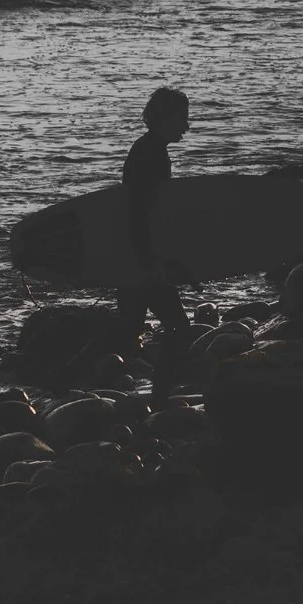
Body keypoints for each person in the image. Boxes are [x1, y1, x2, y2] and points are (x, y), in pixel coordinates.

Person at [118, 86, 193, 405]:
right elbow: (140, 213)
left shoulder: (150, 149)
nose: (186, 126)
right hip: (141, 261)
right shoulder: (151, 154)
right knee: (179, 329)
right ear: (165, 117)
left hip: (135, 258)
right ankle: (160, 398)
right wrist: (151, 262)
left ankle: (61, 383)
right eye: (182, 118)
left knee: (125, 333)